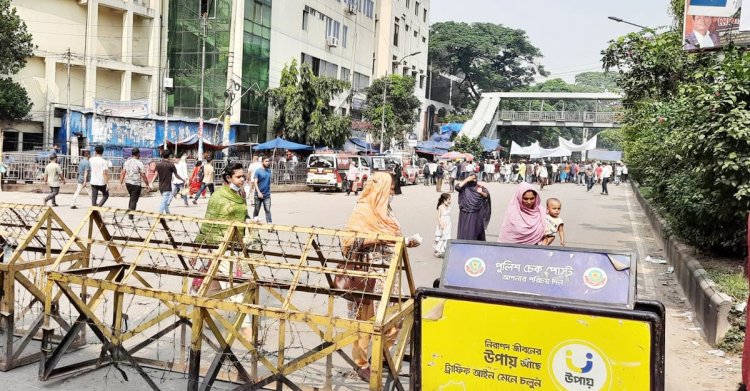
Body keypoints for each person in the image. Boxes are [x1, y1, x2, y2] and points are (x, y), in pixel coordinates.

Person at [341, 172, 419, 382]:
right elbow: (348, 243)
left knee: (395, 317)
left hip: (389, 273)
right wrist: (379, 239)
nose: (393, 192)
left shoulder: (386, 209)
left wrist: (404, 241)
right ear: (381, 188)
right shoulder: (363, 209)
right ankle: (361, 363)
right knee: (365, 320)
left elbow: (393, 237)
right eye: (391, 188)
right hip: (368, 275)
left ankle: (381, 354)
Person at [191, 163, 250, 335]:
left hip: (235, 246)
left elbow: (242, 217)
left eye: (243, 176)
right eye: (238, 177)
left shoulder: (241, 194)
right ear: (228, 178)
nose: (242, 180)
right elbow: (208, 222)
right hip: (220, 247)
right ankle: (248, 332)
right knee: (235, 288)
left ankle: (203, 318)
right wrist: (196, 247)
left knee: (210, 287)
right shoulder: (218, 197)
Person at [455, 173, 491, 241]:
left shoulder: (479, 187)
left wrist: (481, 193)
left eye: (475, 178)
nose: (474, 180)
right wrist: (467, 179)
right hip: (465, 212)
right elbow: (457, 187)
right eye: (472, 178)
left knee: (475, 230)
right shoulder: (464, 187)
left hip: (476, 213)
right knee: (465, 230)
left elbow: (487, 195)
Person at [119, 148, 148, 219]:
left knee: (132, 199)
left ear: (132, 154)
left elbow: (123, 172)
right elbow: (143, 175)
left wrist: (120, 183)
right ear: (138, 154)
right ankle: (130, 217)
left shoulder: (126, 162)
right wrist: (147, 183)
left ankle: (130, 212)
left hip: (128, 183)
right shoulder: (139, 163)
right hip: (136, 184)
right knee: (134, 200)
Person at [156, 150, 183, 214]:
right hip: (167, 186)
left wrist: (151, 182)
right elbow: (176, 175)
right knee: (164, 201)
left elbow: (156, 174)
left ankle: (168, 213)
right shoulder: (171, 165)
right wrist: (182, 180)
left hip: (161, 186)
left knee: (165, 200)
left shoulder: (158, 164)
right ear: (169, 156)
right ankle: (159, 215)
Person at [253, 157, 273, 223]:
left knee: (267, 210)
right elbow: (255, 182)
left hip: (267, 195)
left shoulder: (269, 171)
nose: (268, 162)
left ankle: (269, 225)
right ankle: (254, 224)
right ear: (262, 162)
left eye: (268, 161)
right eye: (266, 161)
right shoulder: (258, 171)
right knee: (256, 210)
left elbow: (269, 182)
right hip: (258, 194)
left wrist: (269, 190)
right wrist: (258, 192)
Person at [433, 193, 452, 257]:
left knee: (447, 237)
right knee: (441, 237)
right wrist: (441, 224)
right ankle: (438, 251)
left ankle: (444, 250)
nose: (450, 201)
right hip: (442, 223)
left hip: (448, 224)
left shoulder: (449, 207)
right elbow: (438, 217)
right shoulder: (441, 207)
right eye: (449, 199)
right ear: (444, 200)